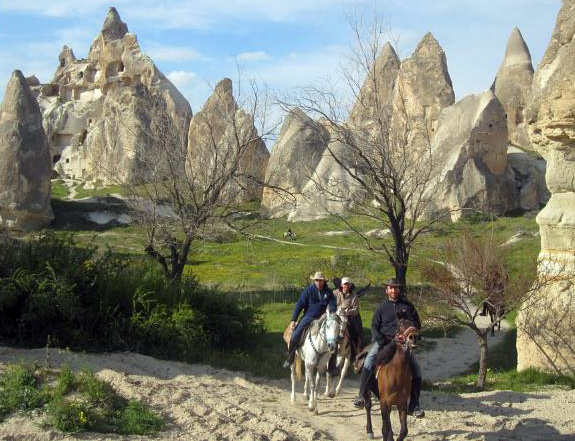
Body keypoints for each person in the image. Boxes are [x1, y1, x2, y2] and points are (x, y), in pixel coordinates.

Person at [353, 278, 425, 418]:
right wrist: (380, 340)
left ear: (399, 290)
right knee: (368, 361)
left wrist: (414, 336)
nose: (393, 290)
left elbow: (416, 324)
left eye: (396, 288)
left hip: (403, 344)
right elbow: (374, 326)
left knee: (417, 369)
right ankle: (361, 395)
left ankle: (414, 404)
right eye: (391, 288)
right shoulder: (381, 307)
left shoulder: (408, 306)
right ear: (386, 290)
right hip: (384, 342)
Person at [284, 271, 337, 367]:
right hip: (309, 317)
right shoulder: (308, 291)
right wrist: (293, 320)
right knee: (295, 335)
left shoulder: (328, 292)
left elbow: (333, 303)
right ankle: (291, 358)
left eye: (321, 280)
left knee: (334, 337)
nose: (319, 282)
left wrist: (332, 311)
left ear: (324, 281)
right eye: (317, 280)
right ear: (314, 281)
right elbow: (299, 305)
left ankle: (332, 365)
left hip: (323, 317)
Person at [334, 277, 363, 361]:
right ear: (341, 285)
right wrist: (336, 309)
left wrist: (348, 311)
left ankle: (354, 353)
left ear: (350, 285)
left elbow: (356, 309)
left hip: (348, 317)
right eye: (344, 284)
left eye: (348, 284)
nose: (346, 286)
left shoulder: (354, 295)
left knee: (354, 332)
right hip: (336, 316)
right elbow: (330, 304)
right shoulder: (335, 293)